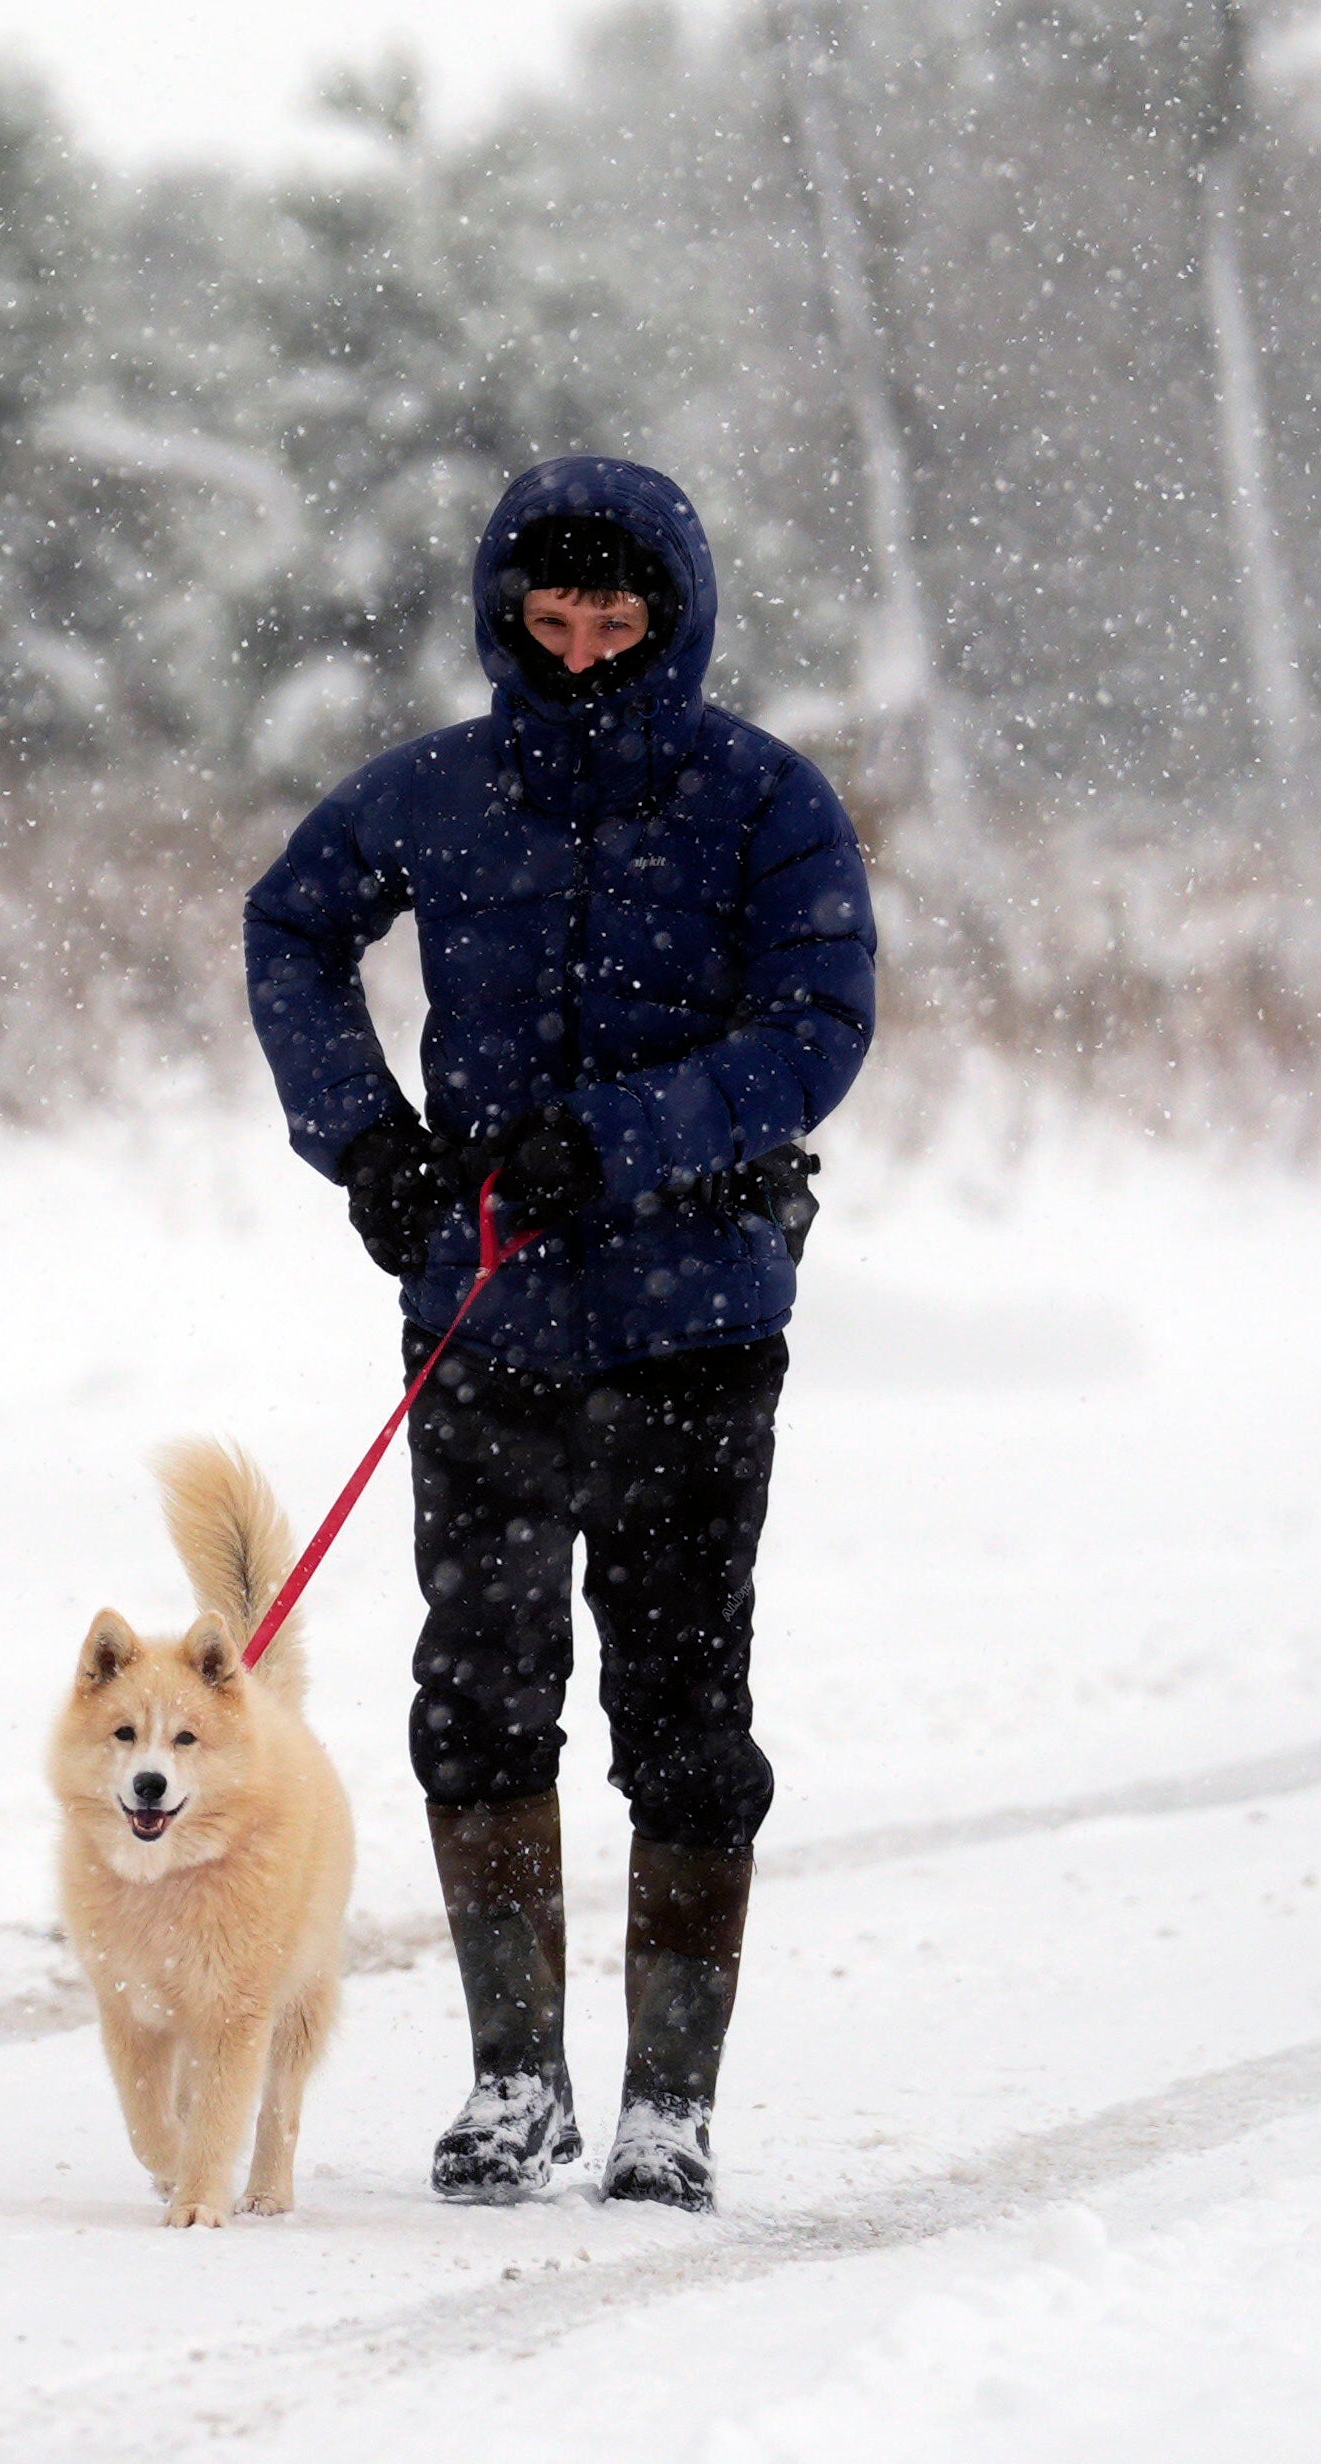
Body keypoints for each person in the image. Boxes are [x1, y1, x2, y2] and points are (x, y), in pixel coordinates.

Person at [241, 456, 876, 2209]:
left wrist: (626, 1136)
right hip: (487, 1318)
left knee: (683, 1709)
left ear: (673, 615)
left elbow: (818, 1025)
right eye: (554, 617)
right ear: (504, 617)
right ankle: (512, 2082)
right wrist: (364, 1142)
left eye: (619, 619)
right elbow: (291, 928)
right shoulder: (438, 794)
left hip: (699, 1321)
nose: (587, 649)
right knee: (480, 1696)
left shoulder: (766, 801)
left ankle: (671, 2105)